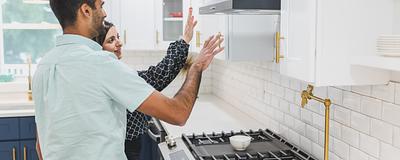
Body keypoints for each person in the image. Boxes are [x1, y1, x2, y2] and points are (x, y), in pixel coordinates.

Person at [33, 0, 223, 160]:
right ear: (86, 10)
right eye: (101, 5)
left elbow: (41, 147)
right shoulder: (101, 63)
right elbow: (178, 113)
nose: (104, 12)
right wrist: (196, 68)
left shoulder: (44, 66)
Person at [93, 17, 195, 159]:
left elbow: (154, 77)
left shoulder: (107, 72)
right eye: (111, 40)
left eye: (118, 37)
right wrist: (185, 41)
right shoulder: (112, 75)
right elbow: (158, 75)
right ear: (99, 48)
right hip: (127, 147)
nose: (119, 43)